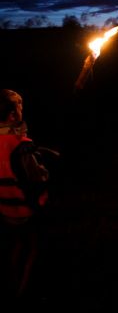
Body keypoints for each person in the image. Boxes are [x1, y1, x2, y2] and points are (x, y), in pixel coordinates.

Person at [0, 89, 49, 302]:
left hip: (4, 209)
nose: (22, 108)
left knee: (16, 244)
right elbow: (37, 179)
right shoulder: (21, 145)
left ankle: (11, 282)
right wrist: (45, 170)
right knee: (32, 247)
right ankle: (22, 293)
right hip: (24, 210)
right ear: (12, 115)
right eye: (19, 105)